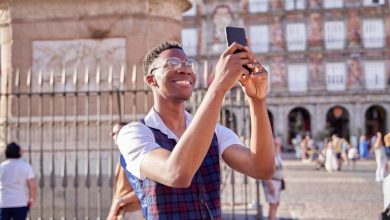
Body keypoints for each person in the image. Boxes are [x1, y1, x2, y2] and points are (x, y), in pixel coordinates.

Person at [117, 41, 275, 219]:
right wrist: (218, 87)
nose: (185, 69)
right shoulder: (134, 134)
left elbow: (262, 169)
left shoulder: (216, 132)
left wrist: (257, 100)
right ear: (151, 79)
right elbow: (176, 173)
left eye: (189, 64)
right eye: (172, 64)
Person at [107, 123, 143, 220]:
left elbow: (143, 188)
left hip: (134, 212)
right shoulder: (122, 157)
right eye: (113, 133)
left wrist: (119, 201)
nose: (114, 136)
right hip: (123, 211)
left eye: (117, 132)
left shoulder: (133, 156)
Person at [0, 142, 36, 219]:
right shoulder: (26, 166)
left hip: (4, 202)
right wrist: (32, 198)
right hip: (20, 201)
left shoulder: (2, 167)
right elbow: (32, 185)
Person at [262, 138, 284, 220]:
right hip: (272, 182)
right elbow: (266, 170)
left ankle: (273, 218)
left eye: (278, 145)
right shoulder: (269, 156)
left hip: (278, 182)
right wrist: (269, 183)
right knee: (273, 204)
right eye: (276, 145)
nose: (278, 146)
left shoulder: (277, 155)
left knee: (276, 203)